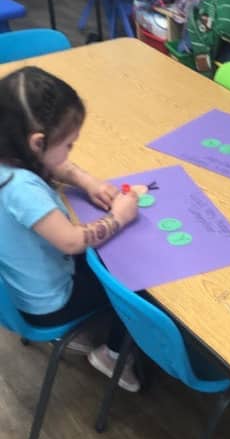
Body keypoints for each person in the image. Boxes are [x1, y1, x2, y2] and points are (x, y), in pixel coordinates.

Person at [0, 66, 140, 391]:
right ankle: (112, 355)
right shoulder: (21, 188)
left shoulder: (10, 152)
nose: (70, 153)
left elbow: (49, 162)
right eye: (69, 145)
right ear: (36, 143)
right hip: (50, 304)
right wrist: (119, 216)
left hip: (20, 289)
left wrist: (85, 180)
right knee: (134, 279)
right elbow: (72, 241)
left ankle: (86, 333)